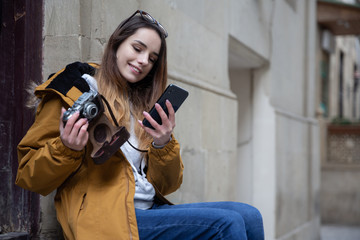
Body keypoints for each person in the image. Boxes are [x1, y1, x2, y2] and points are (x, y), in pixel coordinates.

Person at [15, 10, 264, 240]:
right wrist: (66, 148)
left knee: (250, 215)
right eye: (137, 48)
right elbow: (29, 176)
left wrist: (163, 143)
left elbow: (167, 185)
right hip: (104, 217)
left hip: (148, 209)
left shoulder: (141, 105)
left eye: (152, 58)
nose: (143, 60)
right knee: (226, 223)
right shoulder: (73, 90)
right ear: (116, 44)